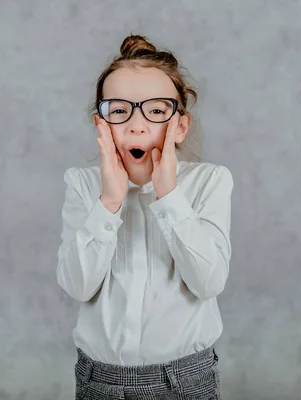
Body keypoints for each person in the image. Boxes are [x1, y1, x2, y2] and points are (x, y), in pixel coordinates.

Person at [56, 34, 233, 400]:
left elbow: (209, 282)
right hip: (99, 382)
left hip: (184, 381)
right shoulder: (82, 185)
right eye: (119, 111)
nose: (137, 125)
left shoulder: (209, 182)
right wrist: (108, 202)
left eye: (156, 110)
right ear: (100, 124)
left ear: (180, 126)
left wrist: (169, 195)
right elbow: (77, 285)